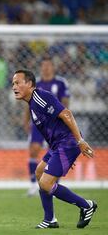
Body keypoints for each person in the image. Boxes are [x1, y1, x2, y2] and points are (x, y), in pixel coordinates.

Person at [12, 69, 97, 229]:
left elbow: (67, 114)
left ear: (29, 84)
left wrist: (79, 141)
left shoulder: (41, 97)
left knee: (45, 183)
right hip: (58, 145)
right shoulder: (32, 104)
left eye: (17, 83)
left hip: (68, 142)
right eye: (13, 84)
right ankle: (50, 219)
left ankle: (86, 205)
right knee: (39, 172)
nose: (14, 87)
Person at [23, 57, 70, 196]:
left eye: (48, 65)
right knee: (34, 150)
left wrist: (64, 121)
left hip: (55, 124)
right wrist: (26, 121)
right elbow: (28, 104)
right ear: (40, 67)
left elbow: (65, 103)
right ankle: (32, 184)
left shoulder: (61, 83)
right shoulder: (35, 83)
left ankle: (54, 185)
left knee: (56, 153)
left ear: (53, 67)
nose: (46, 68)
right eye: (43, 65)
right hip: (39, 123)